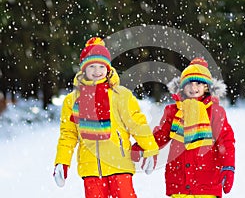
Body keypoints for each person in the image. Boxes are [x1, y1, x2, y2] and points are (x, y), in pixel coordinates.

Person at [53, 37, 159, 198]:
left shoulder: (120, 95)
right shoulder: (73, 100)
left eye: (101, 66)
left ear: (108, 68)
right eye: (92, 66)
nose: (97, 71)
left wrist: (150, 148)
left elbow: (137, 123)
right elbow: (68, 134)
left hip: (119, 164)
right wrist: (62, 162)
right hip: (91, 168)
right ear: (83, 69)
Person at [132, 57, 235, 198]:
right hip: (179, 181)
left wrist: (228, 166)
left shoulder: (215, 112)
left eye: (199, 83)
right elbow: (161, 135)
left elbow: (226, 141)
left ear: (207, 87)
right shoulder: (174, 111)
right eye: (189, 83)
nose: (193, 88)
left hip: (207, 181)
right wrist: (143, 146)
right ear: (182, 87)